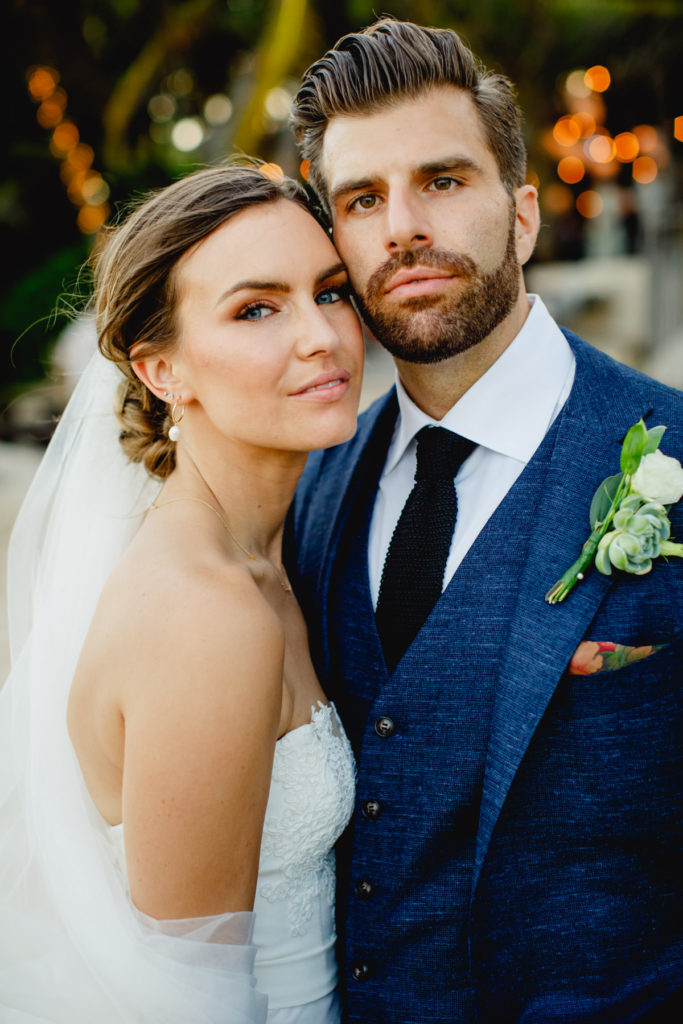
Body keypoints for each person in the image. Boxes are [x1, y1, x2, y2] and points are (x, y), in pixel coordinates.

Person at [288, 18, 683, 1023]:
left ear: (520, 215)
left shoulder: (671, 450)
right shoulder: (310, 492)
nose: (402, 226)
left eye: (442, 181)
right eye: (361, 199)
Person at [0, 163, 364, 1022]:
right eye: (256, 309)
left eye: (333, 292)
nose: (321, 336)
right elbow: (189, 997)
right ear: (162, 370)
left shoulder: (261, 556)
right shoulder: (207, 617)